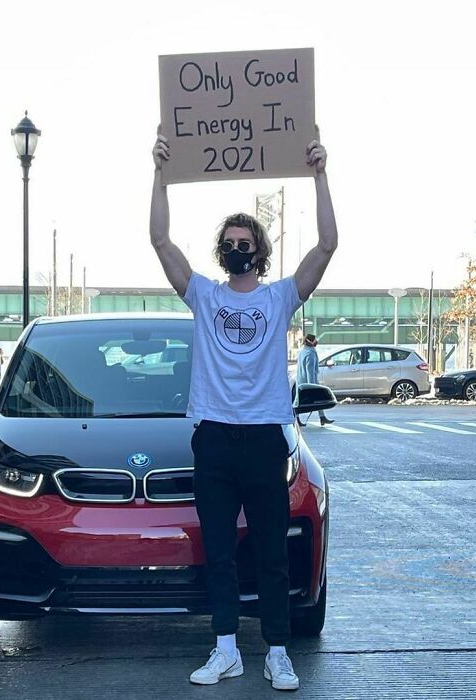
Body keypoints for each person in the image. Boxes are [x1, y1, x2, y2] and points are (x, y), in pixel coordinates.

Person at [150, 127, 337, 691]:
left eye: (245, 242)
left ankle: (277, 652)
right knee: (220, 553)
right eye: (229, 242)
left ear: (259, 251)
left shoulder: (279, 298)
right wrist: (159, 172)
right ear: (221, 251)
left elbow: (327, 245)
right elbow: (159, 240)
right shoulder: (204, 295)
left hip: (263, 439)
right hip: (212, 438)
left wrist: (320, 174)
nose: (237, 248)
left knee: (272, 554)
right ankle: (226, 648)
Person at [295, 334, 334, 427]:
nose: (316, 342)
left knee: (301, 400)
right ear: (310, 341)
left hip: (300, 380)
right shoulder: (310, 354)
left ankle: (322, 417)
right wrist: (312, 386)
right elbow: (310, 371)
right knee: (311, 400)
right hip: (308, 382)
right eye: (315, 340)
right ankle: (298, 419)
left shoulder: (303, 351)